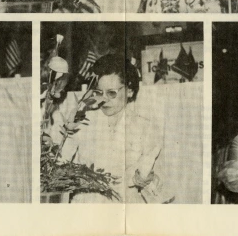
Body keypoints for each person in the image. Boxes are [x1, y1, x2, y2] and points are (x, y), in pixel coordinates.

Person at [60, 55, 164, 203]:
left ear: (129, 91)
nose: (104, 99)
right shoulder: (82, 122)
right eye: (98, 92)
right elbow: (60, 166)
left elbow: (158, 184)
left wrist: (148, 179)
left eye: (111, 93)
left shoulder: (145, 128)